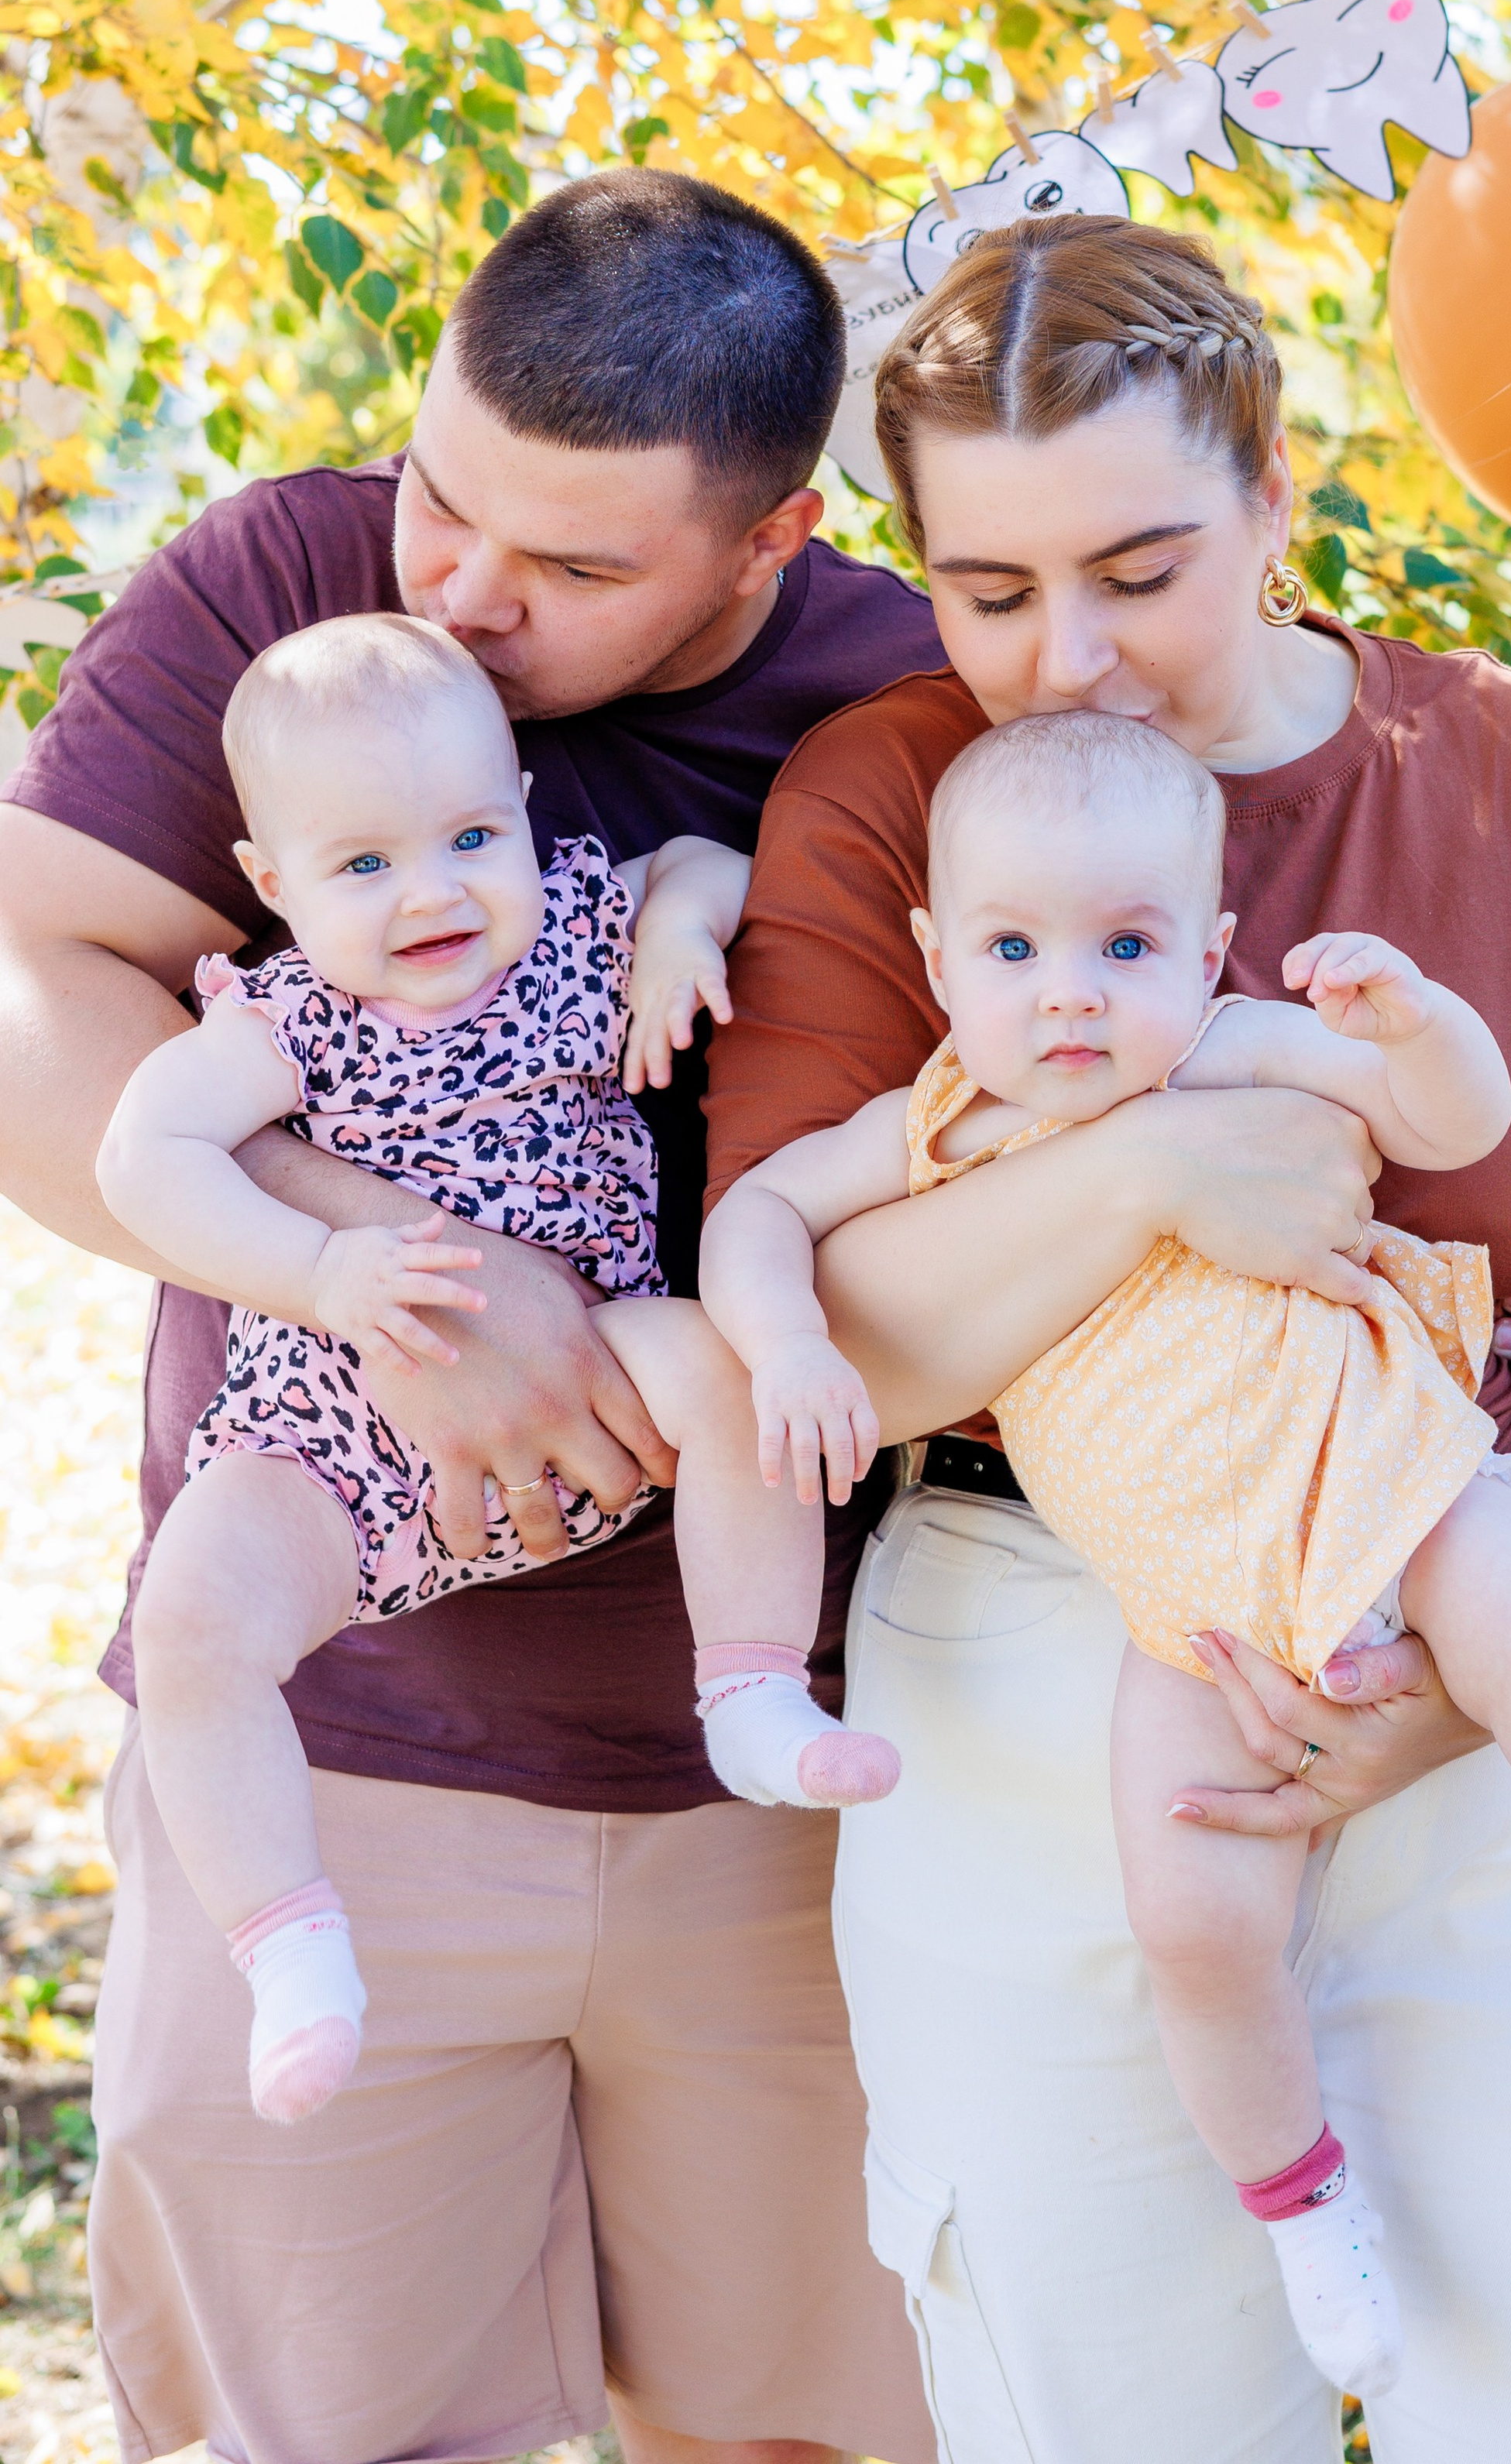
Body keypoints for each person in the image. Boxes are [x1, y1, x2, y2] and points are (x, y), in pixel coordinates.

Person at [702, 214, 1511, 2464]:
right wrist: (1146, 1175)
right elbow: (839, 1335)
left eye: (1141, 567)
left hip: (1498, 1620)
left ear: (1275, 493)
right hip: (1050, 1669)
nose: (1070, 660)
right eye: (991, 591)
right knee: (1110, 2411)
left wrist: (1490, 1683)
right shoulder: (890, 809)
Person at [0, 169, 962, 2464]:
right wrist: (404, 1277)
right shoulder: (277, 592)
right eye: (444, 497)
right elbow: (36, 986)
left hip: (800, 1791)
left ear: (771, 541)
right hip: (343, 1756)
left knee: (819, 2423)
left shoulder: (914, 693)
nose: (459, 590)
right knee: (314, 2435)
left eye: (572, 568)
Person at [94, 614, 897, 2129]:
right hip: (334, 1430)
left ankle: (751, 1690)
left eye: (469, 833)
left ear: (524, 810)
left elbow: (708, 870)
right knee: (193, 1623)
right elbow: (143, 1155)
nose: (433, 892)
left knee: (728, 1373)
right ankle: (290, 1946)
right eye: (364, 866)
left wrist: (676, 936)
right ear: (275, 886)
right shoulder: (294, 1020)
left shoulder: (577, 933)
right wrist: (319, 1271)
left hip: (597, 1358)